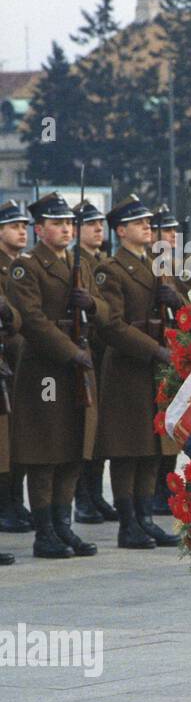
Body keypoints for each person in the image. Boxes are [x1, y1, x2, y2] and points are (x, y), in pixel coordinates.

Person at [7, 193, 110, 559]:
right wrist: (72, 353)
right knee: (46, 451)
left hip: (77, 368)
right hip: (46, 371)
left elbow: (106, 307)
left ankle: (63, 527)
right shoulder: (27, 267)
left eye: (69, 223)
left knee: (73, 446)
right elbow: (32, 321)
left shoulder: (78, 264)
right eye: (57, 223)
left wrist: (92, 304)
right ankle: (45, 531)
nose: (66, 228)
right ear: (39, 229)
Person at [94, 195, 183, 551]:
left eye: (148, 221)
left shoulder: (157, 265)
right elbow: (112, 325)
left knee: (152, 446)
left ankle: (146, 519)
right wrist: (155, 349)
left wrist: (173, 298)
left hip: (155, 368)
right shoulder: (111, 269)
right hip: (129, 367)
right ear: (121, 231)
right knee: (127, 448)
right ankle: (128, 522)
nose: (147, 226)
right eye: (138, 222)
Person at [71, 200, 115, 527]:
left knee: (98, 431)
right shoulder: (78, 262)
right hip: (85, 351)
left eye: (101, 224)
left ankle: (95, 495)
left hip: (102, 350)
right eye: (92, 224)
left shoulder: (102, 261)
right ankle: (82, 498)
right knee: (83, 429)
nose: (99, 229)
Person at [0, 200, 32, 536]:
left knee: (18, 438)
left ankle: (14, 501)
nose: (22, 231)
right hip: (8, 358)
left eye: (24, 226)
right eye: (13, 226)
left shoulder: (23, 267)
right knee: (4, 441)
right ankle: (5, 504)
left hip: (22, 360)